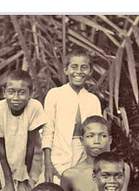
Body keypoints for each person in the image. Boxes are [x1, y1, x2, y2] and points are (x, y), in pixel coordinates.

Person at [42, 51, 102, 183]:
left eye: (84, 67)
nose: (79, 71)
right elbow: (47, 132)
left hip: (85, 159)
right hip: (57, 156)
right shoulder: (55, 95)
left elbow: (98, 134)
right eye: (74, 67)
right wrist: (48, 165)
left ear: (90, 71)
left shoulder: (93, 100)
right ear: (66, 69)